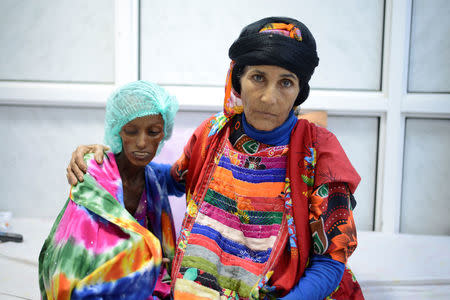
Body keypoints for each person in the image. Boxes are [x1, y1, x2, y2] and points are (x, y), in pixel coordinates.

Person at [67, 17, 364, 299]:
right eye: (258, 77)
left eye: (285, 82)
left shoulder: (320, 152)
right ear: (238, 81)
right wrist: (105, 161)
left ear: (299, 91)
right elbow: (170, 179)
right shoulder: (212, 135)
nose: (268, 98)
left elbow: (331, 262)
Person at [39, 81, 183, 299]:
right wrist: (145, 264)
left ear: (164, 133)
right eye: (131, 131)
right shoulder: (93, 174)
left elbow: (196, 169)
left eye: (153, 132)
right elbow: (72, 263)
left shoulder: (156, 177)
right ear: (117, 130)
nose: (142, 142)